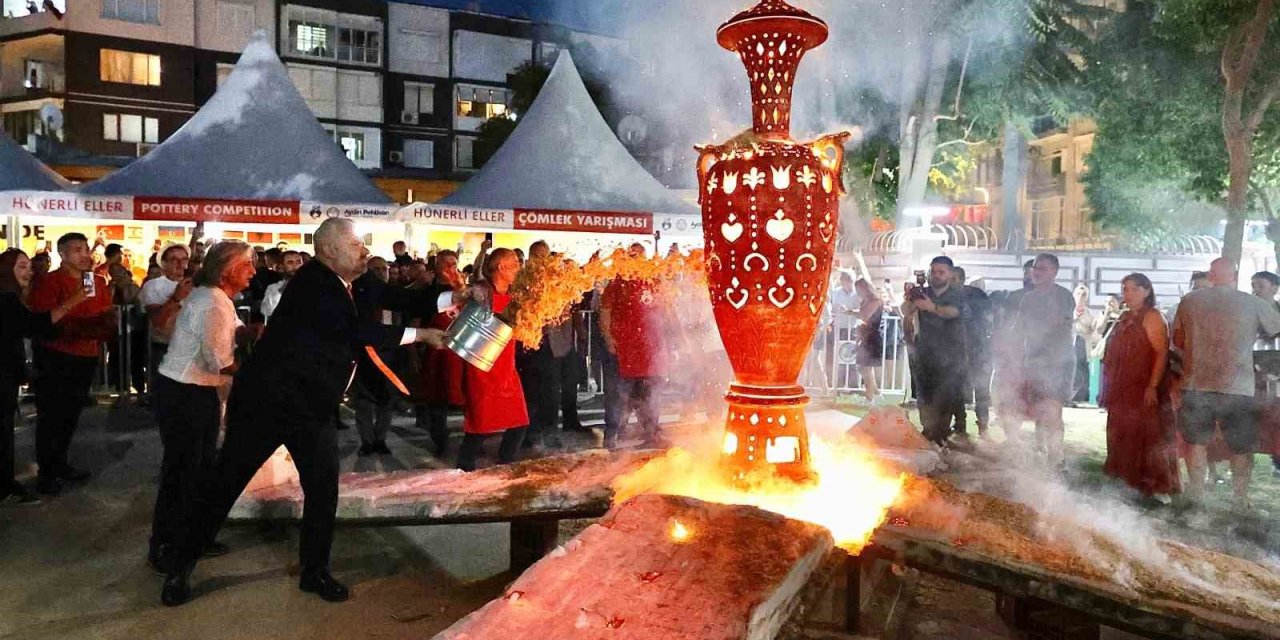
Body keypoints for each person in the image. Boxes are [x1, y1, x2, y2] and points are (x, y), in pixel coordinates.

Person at [160, 218, 452, 607]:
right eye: (355, 244)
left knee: (322, 489)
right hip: (267, 404)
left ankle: (314, 572)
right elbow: (353, 331)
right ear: (329, 251)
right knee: (225, 484)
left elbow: (403, 299)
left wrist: (454, 295)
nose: (364, 250)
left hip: (312, 409)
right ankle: (179, 568)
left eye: (363, 244)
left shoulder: (357, 282)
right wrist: (421, 335)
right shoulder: (314, 284)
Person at [148, 242, 257, 573]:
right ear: (227, 271)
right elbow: (220, 363)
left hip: (192, 391)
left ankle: (192, 535)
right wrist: (262, 372)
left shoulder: (218, 298)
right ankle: (166, 545)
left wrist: (251, 331)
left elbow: (233, 330)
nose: (253, 270)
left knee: (200, 467)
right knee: (183, 471)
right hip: (186, 393)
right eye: (246, 265)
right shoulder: (212, 302)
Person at [1172, 257, 1280, 510]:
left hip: (1196, 382)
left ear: (1211, 275)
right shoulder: (1250, 302)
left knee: (1196, 443)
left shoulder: (1190, 301)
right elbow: (1275, 328)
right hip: (1237, 385)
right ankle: (1240, 500)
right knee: (1241, 446)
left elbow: (1178, 338)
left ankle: (1197, 495)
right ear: (1235, 275)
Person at [29, 233, 115, 495]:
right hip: (56, 356)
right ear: (63, 254)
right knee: (51, 414)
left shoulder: (97, 281)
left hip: (86, 356)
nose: (84, 254)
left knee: (71, 414)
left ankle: (61, 463)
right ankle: (46, 472)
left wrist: (98, 328)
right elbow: (45, 321)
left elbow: (106, 315)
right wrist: (76, 313)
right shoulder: (49, 282)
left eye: (86, 248)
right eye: (77, 249)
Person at [0, 250, 85, 505]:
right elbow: (36, 324)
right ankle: (5, 489)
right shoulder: (6, 299)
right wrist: (74, 300)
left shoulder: (12, 297)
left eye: (29, 266)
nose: (29, 271)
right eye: (22, 267)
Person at [1101, 273, 1179, 503]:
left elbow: (1161, 353)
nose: (1128, 294)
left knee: (1149, 434)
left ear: (1146, 291)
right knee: (1122, 433)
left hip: (1144, 385)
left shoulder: (1153, 317)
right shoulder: (1125, 317)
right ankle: (1125, 480)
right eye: (1125, 289)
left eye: (1134, 289)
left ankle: (1156, 486)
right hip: (1122, 386)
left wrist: (1152, 386)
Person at [456, 248, 529, 471]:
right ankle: (463, 467)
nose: (519, 267)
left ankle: (506, 463)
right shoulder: (480, 292)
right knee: (479, 425)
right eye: (515, 263)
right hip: (482, 368)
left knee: (519, 422)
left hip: (507, 367)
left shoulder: (517, 294)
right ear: (501, 267)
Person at [1004, 254, 1075, 466]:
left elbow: (1057, 322)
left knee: (1052, 409)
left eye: (1042, 268)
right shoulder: (1028, 298)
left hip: (1057, 362)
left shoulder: (1063, 296)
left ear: (1054, 272)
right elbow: (1018, 327)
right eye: (1035, 268)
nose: (1036, 272)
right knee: (1037, 408)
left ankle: (1056, 455)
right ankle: (1040, 450)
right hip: (1033, 362)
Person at [600, 244, 669, 449]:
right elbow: (605, 311)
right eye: (633, 256)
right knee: (618, 394)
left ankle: (651, 433)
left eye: (640, 256)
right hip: (624, 348)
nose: (637, 260)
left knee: (650, 393)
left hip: (649, 349)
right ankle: (612, 436)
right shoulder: (617, 282)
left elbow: (663, 309)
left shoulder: (652, 281)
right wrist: (608, 336)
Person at [902, 256, 967, 445]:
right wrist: (910, 298)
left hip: (950, 355)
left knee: (945, 398)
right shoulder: (923, 291)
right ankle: (928, 433)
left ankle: (941, 436)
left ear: (950, 274)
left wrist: (932, 307)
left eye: (941, 272)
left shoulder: (957, 293)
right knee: (925, 397)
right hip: (925, 352)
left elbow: (953, 312)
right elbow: (906, 311)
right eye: (934, 272)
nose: (936, 276)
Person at [414, 250, 465, 456]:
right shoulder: (427, 293)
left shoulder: (464, 291)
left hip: (461, 353)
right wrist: (413, 354)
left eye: (454, 264)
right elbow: (415, 322)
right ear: (436, 267)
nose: (451, 269)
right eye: (447, 264)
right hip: (437, 353)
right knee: (437, 399)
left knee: (467, 395)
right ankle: (439, 440)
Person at [351, 257, 399, 456]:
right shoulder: (359, 295)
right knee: (363, 401)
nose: (381, 273)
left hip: (390, 353)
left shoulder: (396, 295)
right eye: (375, 269)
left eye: (384, 269)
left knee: (386, 400)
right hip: (364, 354)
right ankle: (367, 441)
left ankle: (381, 439)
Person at [140, 245, 193, 396]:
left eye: (183, 259)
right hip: (165, 349)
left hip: (192, 351)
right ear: (163, 264)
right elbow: (158, 321)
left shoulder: (196, 285)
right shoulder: (153, 286)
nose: (180, 264)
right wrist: (176, 298)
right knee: (165, 397)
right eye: (174, 260)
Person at [950, 266, 991, 436]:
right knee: (956, 388)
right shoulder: (948, 296)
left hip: (977, 348)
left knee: (981, 388)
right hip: (958, 350)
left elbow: (988, 316)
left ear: (960, 279)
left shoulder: (976, 295)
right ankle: (960, 423)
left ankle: (982, 424)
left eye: (953, 279)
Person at [854, 278, 884, 403]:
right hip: (865, 336)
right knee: (863, 367)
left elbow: (865, 315)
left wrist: (851, 313)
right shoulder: (865, 301)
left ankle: (869, 398)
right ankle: (875, 393)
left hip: (872, 337)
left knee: (865, 368)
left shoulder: (875, 301)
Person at [829, 271, 860, 389]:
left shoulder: (857, 294)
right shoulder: (836, 292)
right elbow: (830, 306)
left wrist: (849, 310)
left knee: (853, 356)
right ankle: (839, 384)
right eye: (847, 281)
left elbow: (860, 309)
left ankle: (853, 385)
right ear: (842, 281)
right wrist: (836, 308)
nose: (849, 283)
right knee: (839, 355)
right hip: (839, 328)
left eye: (851, 281)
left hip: (853, 328)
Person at [259, 250, 303, 322]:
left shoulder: (312, 286)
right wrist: (282, 291)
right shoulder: (273, 289)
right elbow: (267, 311)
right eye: (290, 262)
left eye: (298, 262)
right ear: (281, 267)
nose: (295, 266)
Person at [1071, 284, 1095, 405]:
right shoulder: (1067, 310)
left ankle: (1081, 397)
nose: (1081, 297)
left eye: (1084, 295)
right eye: (1078, 294)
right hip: (1069, 346)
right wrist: (1075, 317)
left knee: (1083, 372)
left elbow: (1094, 330)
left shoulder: (1090, 313)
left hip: (1084, 345)